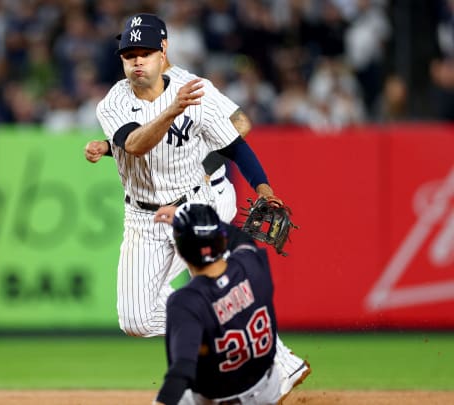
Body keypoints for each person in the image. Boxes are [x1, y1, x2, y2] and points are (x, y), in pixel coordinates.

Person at [93, 12, 309, 391]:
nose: (137, 61)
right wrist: (162, 117)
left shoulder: (195, 89)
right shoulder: (113, 103)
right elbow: (135, 145)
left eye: (145, 51)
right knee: (135, 319)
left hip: (195, 208)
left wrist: (263, 187)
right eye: (130, 54)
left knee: (206, 280)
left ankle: (274, 358)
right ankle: (225, 325)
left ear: (163, 51)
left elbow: (235, 140)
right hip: (143, 217)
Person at [85, 13, 268, 223]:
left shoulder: (190, 83)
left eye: (145, 40)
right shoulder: (134, 88)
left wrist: (206, 166)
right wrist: (109, 147)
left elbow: (241, 122)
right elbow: (156, 142)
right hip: (163, 202)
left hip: (209, 191)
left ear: (162, 45)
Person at [152, 202, 310, 405]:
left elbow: (182, 370)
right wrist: (205, 225)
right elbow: (242, 240)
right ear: (221, 239)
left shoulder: (186, 301)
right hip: (266, 392)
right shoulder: (252, 265)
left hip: (216, 400)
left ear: (180, 251)